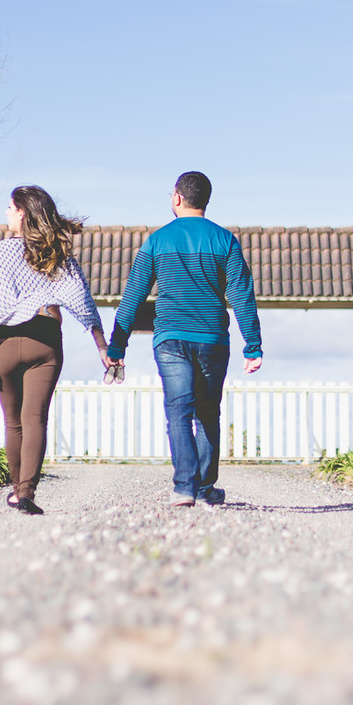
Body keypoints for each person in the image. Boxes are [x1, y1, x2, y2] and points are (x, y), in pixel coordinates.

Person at [107, 171, 261, 506]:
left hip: (171, 339)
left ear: (177, 198)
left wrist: (116, 347)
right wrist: (253, 345)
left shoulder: (158, 240)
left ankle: (184, 488)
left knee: (178, 410)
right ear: (205, 200)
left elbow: (132, 297)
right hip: (213, 339)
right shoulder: (225, 241)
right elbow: (242, 295)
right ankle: (205, 489)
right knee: (207, 413)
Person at [0, 186, 110, 514]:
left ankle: (17, 489)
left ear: (22, 213)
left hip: (3, 342)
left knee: (12, 421)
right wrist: (102, 345)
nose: (5, 213)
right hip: (43, 339)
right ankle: (26, 492)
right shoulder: (58, 255)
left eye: (9, 207)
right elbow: (82, 303)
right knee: (35, 418)